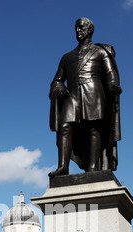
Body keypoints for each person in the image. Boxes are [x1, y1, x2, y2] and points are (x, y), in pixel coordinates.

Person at [49, 17, 121, 177]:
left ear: (90, 30)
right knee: (65, 127)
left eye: (81, 27)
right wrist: (58, 86)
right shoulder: (66, 57)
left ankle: (93, 168)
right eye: (76, 28)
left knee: (93, 129)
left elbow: (110, 74)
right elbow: (57, 80)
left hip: (93, 92)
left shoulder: (101, 51)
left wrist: (113, 85)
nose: (77, 30)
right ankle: (63, 167)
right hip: (72, 94)